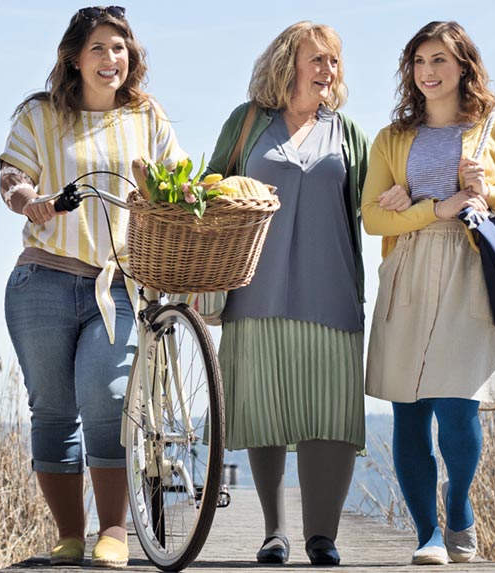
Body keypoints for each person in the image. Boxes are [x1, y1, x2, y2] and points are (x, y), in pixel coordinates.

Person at [0, 5, 185, 568]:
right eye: (99, 48)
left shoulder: (146, 116)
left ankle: (115, 531)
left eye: (120, 48)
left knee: (107, 400)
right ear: (75, 57)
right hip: (43, 279)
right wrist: (30, 200)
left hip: (118, 284)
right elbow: (12, 174)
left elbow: (178, 179)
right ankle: (69, 535)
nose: (111, 59)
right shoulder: (40, 114)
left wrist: (176, 205)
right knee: (52, 411)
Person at [360, 20, 495, 566]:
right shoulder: (392, 139)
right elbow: (372, 217)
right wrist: (431, 209)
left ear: (464, 65)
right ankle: (428, 536)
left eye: (439, 60)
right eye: (419, 61)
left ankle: (458, 504)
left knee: (458, 409)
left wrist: (491, 194)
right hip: (409, 274)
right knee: (410, 411)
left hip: (471, 271)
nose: (428, 72)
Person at [203, 20, 369, 567]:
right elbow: (207, 183)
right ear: (287, 63)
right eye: (318, 58)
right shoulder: (247, 122)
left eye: (335, 61)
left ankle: (322, 536)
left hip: (332, 292)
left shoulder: (347, 134)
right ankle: (274, 533)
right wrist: (224, 189)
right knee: (263, 409)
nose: (329, 70)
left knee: (331, 415)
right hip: (255, 292)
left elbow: (372, 207)